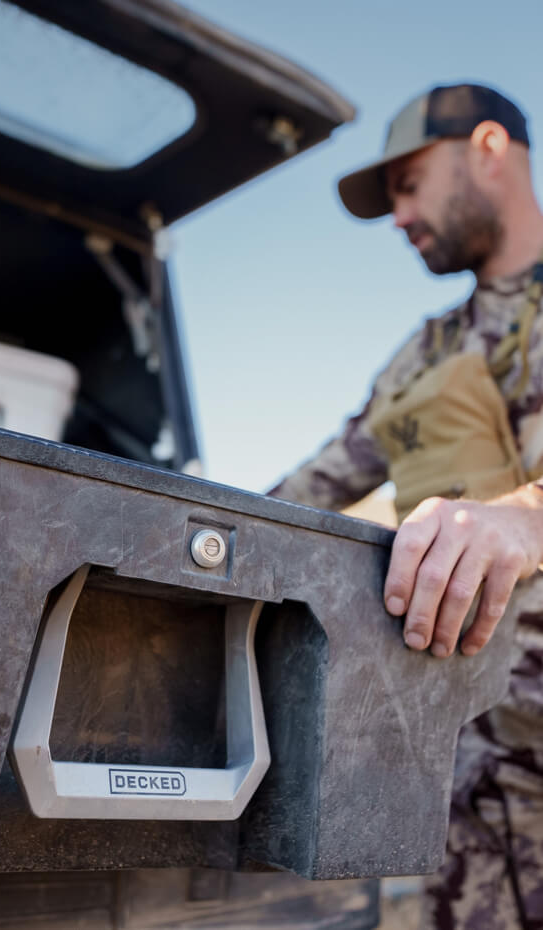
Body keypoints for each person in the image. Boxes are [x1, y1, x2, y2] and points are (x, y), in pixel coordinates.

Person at [271, 84, 543, 928]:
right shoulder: (420, 359)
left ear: (489, 148)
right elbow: (295, 500)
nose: (399, 216)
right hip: (464, 777)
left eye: (411, 182)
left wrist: (525, 517)